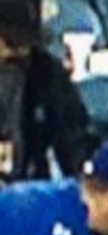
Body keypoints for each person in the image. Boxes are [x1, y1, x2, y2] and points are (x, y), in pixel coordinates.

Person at [0, 0, 97, 184]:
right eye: (11, 45)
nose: (20, 54)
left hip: (30, 193)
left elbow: (75, 140)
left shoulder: (45, 71)